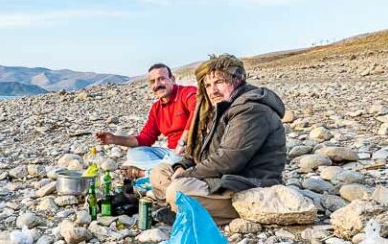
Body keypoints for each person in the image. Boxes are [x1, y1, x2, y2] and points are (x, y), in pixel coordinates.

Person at [149, 54, 286, 225]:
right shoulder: (220, 107)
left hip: (243, 184)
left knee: (178, 190)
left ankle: (186, 210)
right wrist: (182, 166)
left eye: (219, 82)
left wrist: (187, 175)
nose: (213, 91)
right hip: (218, 177)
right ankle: (180, 208)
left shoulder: (250, 110)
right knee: (159, 172)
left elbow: (228, 160)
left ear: (238, 79)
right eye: (208, 85)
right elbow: (200, 151)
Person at [96, 63, 197, 178]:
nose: (157, 85)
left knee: (174, 158)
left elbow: (197, 112)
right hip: (171, 152)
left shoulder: (187, 93)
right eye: (153, 81)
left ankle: (147, 173)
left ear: (172, 79)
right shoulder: (156, 108)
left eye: (161, 79)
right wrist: (114, 139)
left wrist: (182, 143)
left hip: (191, 151)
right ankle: (168, 170)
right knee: (134, 153)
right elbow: (145, 138)